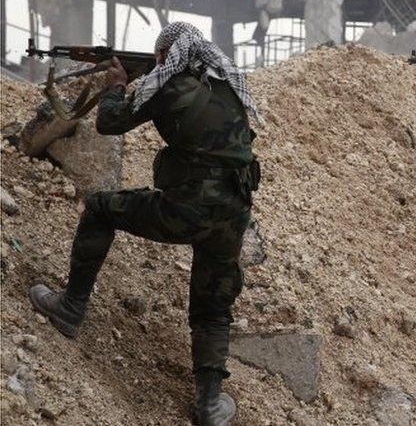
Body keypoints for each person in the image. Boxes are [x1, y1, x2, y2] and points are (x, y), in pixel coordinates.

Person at [28, 22, 261, 426]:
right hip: (234, 213)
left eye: (160, 59)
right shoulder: (225, 85)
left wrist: (119, 83)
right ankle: (209, 406)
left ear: (166, 57)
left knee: (101, 208)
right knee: (212, 306)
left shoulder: (167, 86)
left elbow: (109, 123)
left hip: (189, 208)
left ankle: (69, 307)